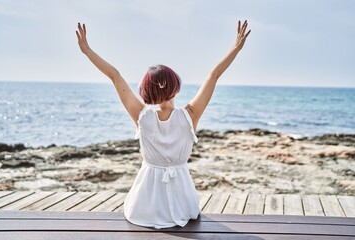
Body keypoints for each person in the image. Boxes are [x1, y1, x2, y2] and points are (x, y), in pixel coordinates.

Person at [76, 20, 250, 229]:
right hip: (184, 203)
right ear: (175, 86)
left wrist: (87, 51)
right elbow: (213, 76)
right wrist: (235, 48)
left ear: (146, 90)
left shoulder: (142, 116)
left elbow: (115, 76)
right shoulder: (190, 116)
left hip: (145, 206)